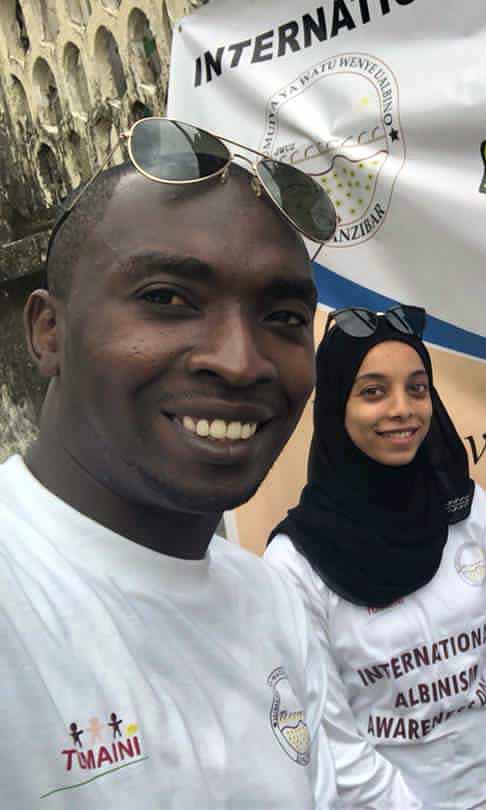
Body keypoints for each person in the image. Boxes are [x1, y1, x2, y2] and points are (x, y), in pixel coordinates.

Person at [0, 118, 339, 807]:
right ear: (48, 331)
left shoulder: (271, 602)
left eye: (282, 317)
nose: (240, 362)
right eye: (166, 299)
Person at [264, 305, 486, 810]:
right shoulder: (295, 563)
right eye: (373, 392)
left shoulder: (466, 509)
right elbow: (332, 735)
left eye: (417, 389)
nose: (402, 409)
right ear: (336, 405)